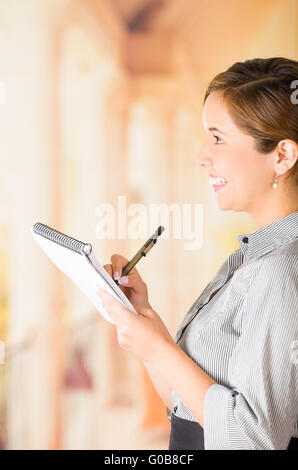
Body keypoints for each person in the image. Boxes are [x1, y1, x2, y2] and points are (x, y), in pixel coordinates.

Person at [98, 57, 298, 450]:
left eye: (218, 138)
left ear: (282, 156)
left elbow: (251, 440)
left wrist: (157, 346)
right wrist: (144, 317)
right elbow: (185, 408)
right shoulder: (249, 260)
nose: (202, 156)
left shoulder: (280, 270)